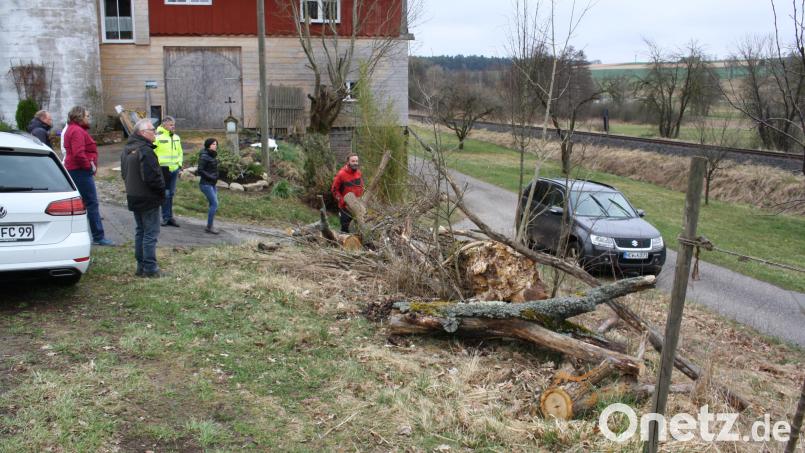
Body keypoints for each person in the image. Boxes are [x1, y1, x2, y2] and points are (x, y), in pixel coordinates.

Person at [63, 105, 115, 246]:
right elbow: (78, 153)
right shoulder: (77, 131)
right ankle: (98, 236)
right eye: (87, 116)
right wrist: (89, 167)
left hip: (76, 169)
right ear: (79, 117)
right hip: (80, 171)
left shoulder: (73, 129)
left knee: (83, 203)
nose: (88, 118)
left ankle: (83, 235)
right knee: (91, 203)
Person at [121, 119, 165, 278]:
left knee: (141, 231)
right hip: (148, 197)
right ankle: (150, 269)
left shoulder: (127, 149)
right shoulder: (145, 150)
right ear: (142, 133)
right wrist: (162, 192)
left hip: (133, 195)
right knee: (150, 233)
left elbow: (123, 174)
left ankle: (141, 267)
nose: (155, 132)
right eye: (152, 130)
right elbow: (152, 178)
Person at [154, 116, 183, 227]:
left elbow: (180, 152)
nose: (173, 126)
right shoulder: (157, 138)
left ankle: (170, 217)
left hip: (174, 169)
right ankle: (165, 217)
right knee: (165, 194)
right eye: (171, 124)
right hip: (163, 169)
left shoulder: (176, 137)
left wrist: (179, 164)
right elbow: (151, 151)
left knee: (171, 194)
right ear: (164, 125)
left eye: (173, 124)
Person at [330, 153, 364, 233]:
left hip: (357, 206)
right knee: (345, 230)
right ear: (348, 162)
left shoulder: (358, 173)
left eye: (356, 161)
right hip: (345, 208)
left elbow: (361, 186)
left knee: (358, 230)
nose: (355, 163)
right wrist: (342, 201)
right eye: (353, 161)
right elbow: (334, 190)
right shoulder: (341, 174)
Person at [197, 138, 221, 234]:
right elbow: (200, 170)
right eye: (214, 144)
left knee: (213, 204)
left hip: (212, 184)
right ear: (208, 145)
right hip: (206, 184)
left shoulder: (211, 155)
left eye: (216, 144)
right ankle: (209, 227)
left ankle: (210, 225)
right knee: (214, 204)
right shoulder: (204, 156)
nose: (216, 145)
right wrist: (211, 177)